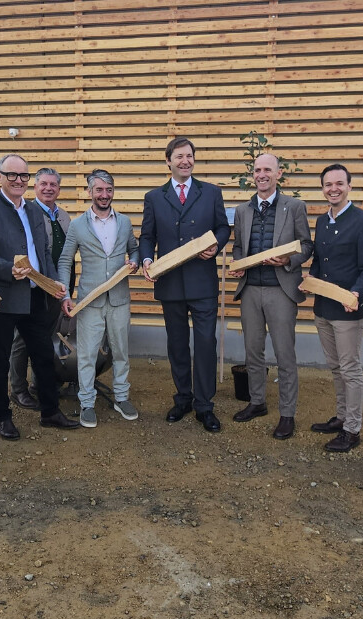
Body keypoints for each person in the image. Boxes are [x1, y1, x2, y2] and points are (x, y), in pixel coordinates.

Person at [0, 154, 77, 440]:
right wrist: (8, 269)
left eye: (23, 176)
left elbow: (44, 253)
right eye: (12, 175)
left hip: (36, 297)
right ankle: (2, 416)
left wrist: (55, 283)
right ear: (0, 177)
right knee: (0, 359)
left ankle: (50, 411)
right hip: (3, 298)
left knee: (44, 356)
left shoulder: (33, 210)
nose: (18, 181)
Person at [140, 137, 231, 433]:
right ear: (168, 161)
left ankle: (205, 405)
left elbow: (222, 227)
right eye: (179, 156)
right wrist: (144, 260)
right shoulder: (154, 197)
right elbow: (146, 236)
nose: (185, 161)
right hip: (170, 283)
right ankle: (183, 398)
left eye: (189, 156)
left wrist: (216, 245)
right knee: (177, 344)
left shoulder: (211, 193)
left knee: (205, 344)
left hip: (202, 282)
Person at [226, 153, 313, 439]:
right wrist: (238, 264)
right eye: (257, 170)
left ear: (278, 174)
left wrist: (288, 261)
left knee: (285, 354)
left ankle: (287, 414)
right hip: (250, 288)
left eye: (267, 170)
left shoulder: (295, 206)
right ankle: (257, 402)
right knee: (253, 351)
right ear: (253, 175)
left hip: (281, 290)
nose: (262, 174)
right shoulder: (242, 210)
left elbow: (306, 246)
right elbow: (239, 246)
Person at [300, 164, 363, 453]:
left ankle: (352, 429)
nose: (333, 188)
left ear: (349, 186)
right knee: (335, 367)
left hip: (348, 310)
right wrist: (310, 280)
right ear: (322, 188)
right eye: (327, 184)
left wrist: (356, 294)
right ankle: (342, 416)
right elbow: (320, 261)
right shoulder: (322, 220)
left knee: (350, 368)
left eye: (338, 183)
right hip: (323, 307)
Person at [58, 169, 140, 427]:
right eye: (99, 190)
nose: (104, 195)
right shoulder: (77, 225)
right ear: (90, 192)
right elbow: (65, 260)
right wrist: (65, 294)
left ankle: (122, 397)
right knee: (87, 354)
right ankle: (86, 403)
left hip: (119, 299)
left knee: (121, 352)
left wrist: (135, 262)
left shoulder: (125, 222)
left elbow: (134, 250)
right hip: (89, 301)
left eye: (109, 190)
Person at [9, 167, 71, 410]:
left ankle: (40, 384)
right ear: (35, 187)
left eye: (53, 185)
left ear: (58, 188)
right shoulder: (26, 213)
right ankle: (18, 389)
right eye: (43, 184)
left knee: (45, 338)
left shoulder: (64, 216)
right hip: (30, 287)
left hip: (54, 288)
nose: (48, 188)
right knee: (22, 340)